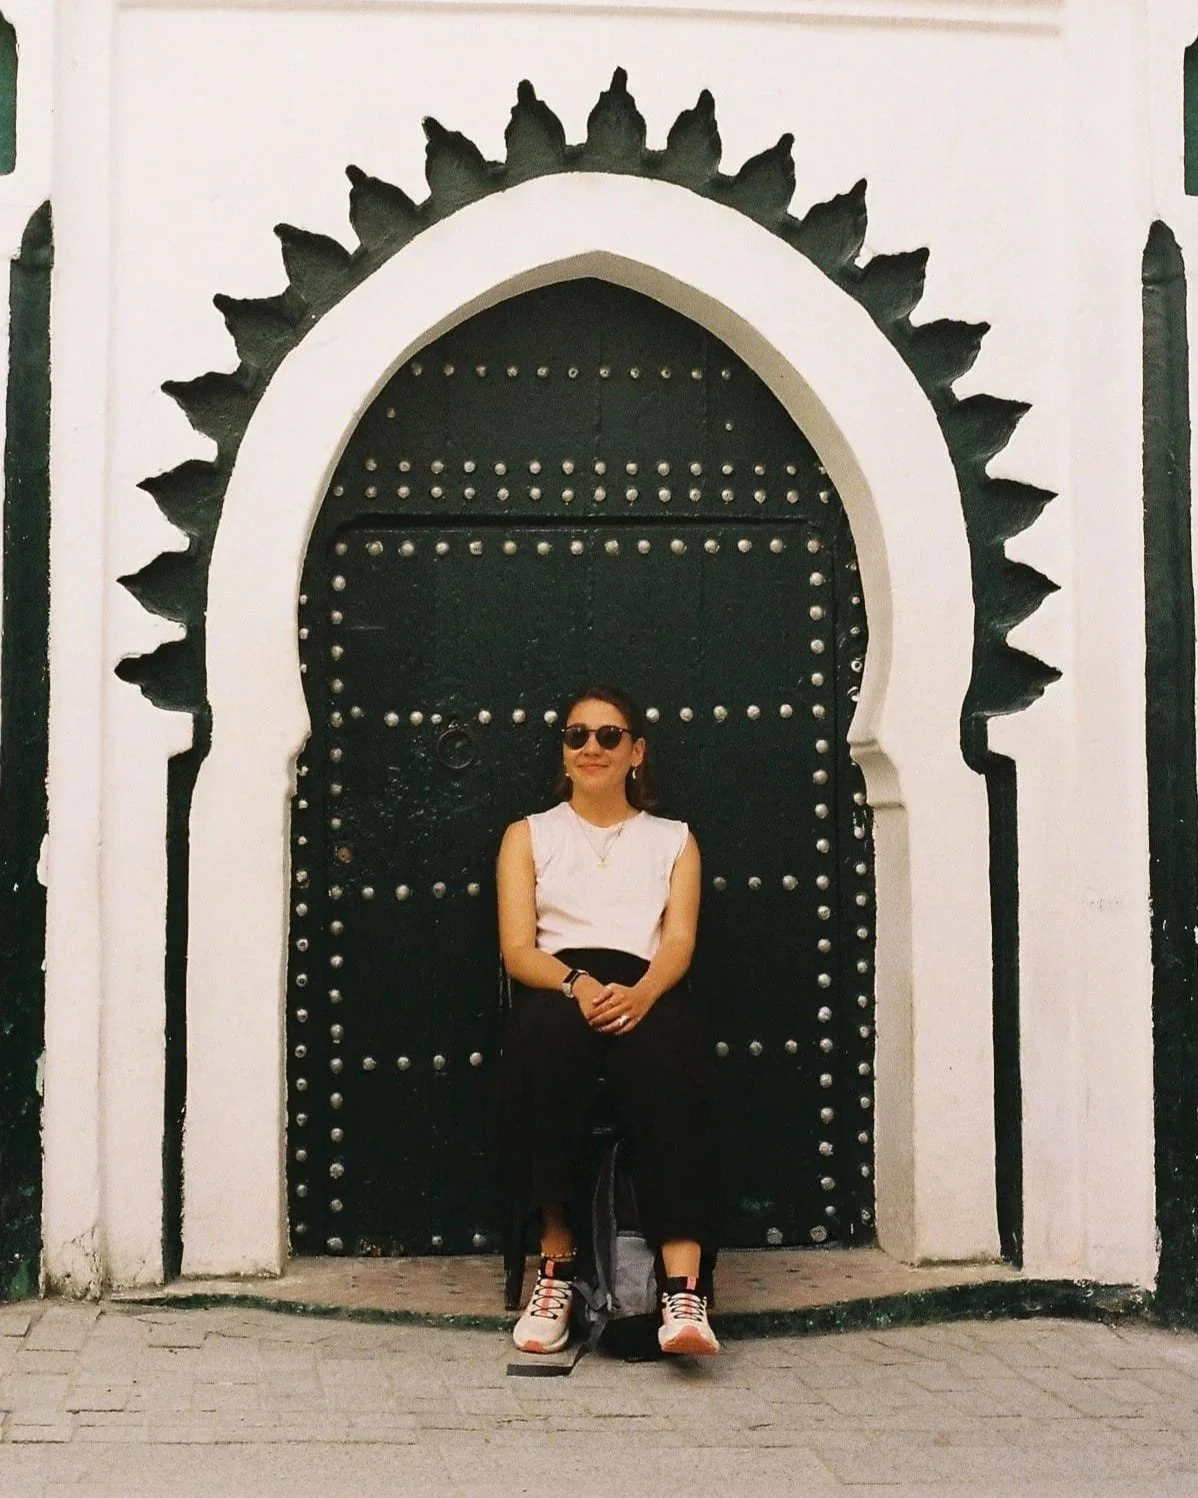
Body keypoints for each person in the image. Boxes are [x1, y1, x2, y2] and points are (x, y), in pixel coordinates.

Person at [494, 684, 721, 1357]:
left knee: (676, 1070)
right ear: (564, 754)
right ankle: (556, 1269)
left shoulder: (673, 841)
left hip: (646, 986)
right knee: (540, 1057)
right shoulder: (528, 835)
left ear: (636, 752)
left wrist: (643, 993)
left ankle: (684, 1289)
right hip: (562, 985)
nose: (591, 747)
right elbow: (517, 948)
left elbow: (677, 942)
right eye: (576, 736)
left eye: (608, 736)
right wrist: (576, 983)